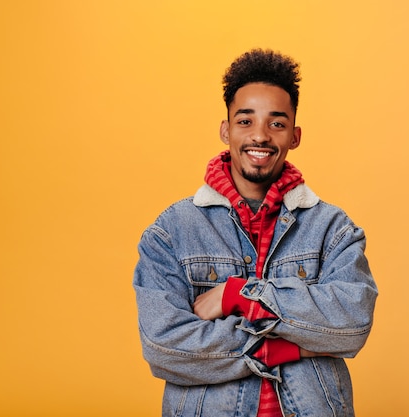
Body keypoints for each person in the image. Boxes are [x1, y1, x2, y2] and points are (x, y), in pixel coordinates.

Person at [133, 49, 378, 417]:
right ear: (225, 130)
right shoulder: (171, 232)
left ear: (294, 136)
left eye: (276, 124)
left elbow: (352, 323)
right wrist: (285, 345)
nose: (260, 136)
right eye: (245, 121)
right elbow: (164, 346)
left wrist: (241, 296)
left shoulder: (333, 229)